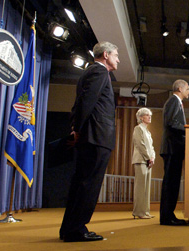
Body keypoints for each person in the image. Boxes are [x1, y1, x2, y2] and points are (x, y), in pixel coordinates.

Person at [60, 41, 120, 242]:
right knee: (88, 185)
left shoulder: (92, 72)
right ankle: (76, 229)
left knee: (81, 183)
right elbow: (86, 102)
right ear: (105, 55)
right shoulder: (100, 72)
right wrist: (77, 129)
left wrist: (76, 128)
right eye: (116, 55)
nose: (118, 59)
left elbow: (81, 102)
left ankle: (69, 228)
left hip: (91, 136)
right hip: (96, 136)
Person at [159, 79, 189, 226]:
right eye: (187, 89)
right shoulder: (173, 101)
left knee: (173, 183)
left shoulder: (176, 102)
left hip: (175, 149)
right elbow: (171, 123)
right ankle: (167, 217)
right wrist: (188, 129)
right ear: (180, 88)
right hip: (172, 149)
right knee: (170, 184)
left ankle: (169, 215)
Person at [131, 108, 156, 219]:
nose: (149, 117)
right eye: (147, 115)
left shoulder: (148, 131)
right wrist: (148, 158)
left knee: (146, 188)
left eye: (150, 115)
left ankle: (145, 211)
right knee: (140, 188)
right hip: (141, 160)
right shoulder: (138, 128)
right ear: (141, 117)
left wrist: (152, 157)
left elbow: (151, 147)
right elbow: (140, 145)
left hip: (147, 161)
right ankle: (138, 212)